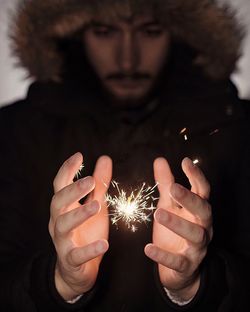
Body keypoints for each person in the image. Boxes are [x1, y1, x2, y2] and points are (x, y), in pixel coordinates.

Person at [0, 0, 250, 310]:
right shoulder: (15, 131)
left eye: (150, 31)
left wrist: (195, 284)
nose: (127, 58)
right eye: (105, 31)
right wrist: (60, 282)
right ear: (75, 34)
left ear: (181, 34)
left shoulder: (237, 128)